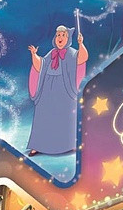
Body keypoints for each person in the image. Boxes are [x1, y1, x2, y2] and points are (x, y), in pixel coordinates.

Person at [26, 24, 87, 156]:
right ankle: (38, 145)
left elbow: (82, 58)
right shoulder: (51, 53)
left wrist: (81, 44)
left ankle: (69, 144)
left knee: (65, 117)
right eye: (58, 35)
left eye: (63, 35)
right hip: (47, 89)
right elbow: (41, 65)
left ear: (68, 39)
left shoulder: (71, 53)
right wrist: (34, 55)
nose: (60, 37)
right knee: (43, 116)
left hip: (64, 90)